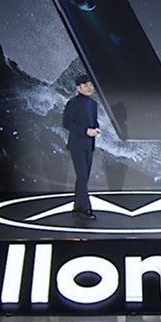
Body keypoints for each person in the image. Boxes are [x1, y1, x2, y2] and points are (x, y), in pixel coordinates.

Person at [62, 74, 100, 219]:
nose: (89, 88)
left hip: (89, 144)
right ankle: (86, 208)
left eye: (91, 85)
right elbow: (67, 123)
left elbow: (93, 121)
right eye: (85, 85)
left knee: (84, 177)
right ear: (78, 88)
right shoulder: (73, 103)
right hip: (77, 145)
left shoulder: (93, 104)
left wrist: (96, 129)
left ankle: (78, 206)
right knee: (82, 176)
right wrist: (85, 131)